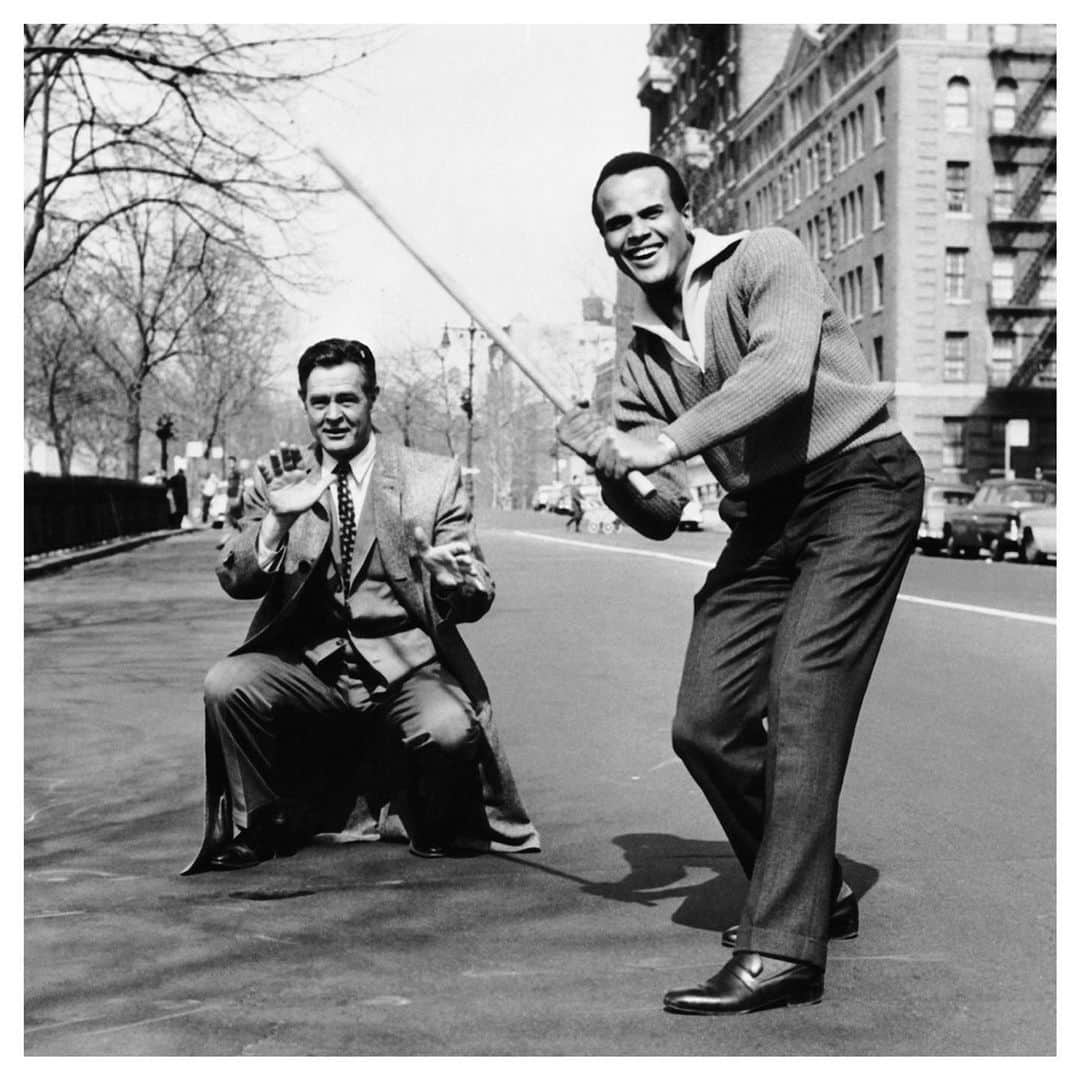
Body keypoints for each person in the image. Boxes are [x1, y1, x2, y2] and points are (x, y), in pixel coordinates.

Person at [558, 152, 923, 1014]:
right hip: (763, 519)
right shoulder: (641, 356)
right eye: (617, 222)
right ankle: (814, 888)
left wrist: (664, 441)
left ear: (687, 213)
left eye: (651, 212)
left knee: (801, 694)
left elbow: (781, 369)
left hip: (858, 484)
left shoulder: (766, 257)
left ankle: (783, 949)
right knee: (706, 724)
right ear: (605, 240)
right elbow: (656, 510)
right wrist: (610, 467)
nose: (637, 231)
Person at [184, 337, 539, 874]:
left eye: (347, 399)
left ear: (374, 398)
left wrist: (450, 578)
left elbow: (476, 591)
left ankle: (430, 814)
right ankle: (260, 823)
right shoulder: (279, 475)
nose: (333, 415)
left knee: (449, 726)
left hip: (409, 665)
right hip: (310, 668)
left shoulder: (431, 478)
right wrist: (277, 522)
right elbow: (235, 576)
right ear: (304, 404)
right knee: (227, 683)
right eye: (319, 402)